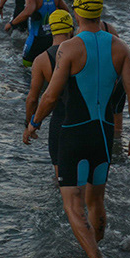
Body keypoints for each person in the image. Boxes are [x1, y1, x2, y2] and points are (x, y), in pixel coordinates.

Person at [23, 0, 130, 258]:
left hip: (73, 131)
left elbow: (51, 96)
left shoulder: (69, 48)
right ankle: (94, 250)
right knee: (96, 201)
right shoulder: (119, 46)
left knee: (72, 203)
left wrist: (33, 124)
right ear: (99, 11)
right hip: (103, 135)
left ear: (76, 12)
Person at [24, 9, 77, 178]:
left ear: (51, 30)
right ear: (71, 29)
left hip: (60, 122)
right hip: (87, 119)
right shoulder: (82, 52)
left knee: (62, 179)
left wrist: (30, 124)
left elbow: (33, 99)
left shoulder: (41, 60)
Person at [6, 0, 69, 66]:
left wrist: (11, 23)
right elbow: (66, 12)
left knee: (26, 69)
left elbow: (27, 13)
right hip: (51, 39)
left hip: (35, 40)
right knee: (50, 66)